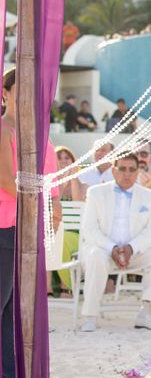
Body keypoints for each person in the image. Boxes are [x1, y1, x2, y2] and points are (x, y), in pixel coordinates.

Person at [1, 68, 61, 375]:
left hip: (27, 231)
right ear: (5, 93)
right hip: (5, 228)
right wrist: (38, 196)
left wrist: (52, 211)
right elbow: (6, 181)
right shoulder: (3, 130)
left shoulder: (38, 137)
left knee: (14, 312)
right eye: (19, 90)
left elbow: (52, 184)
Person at [79, 152, 151, 332]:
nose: (127, 174)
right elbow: (89, 229)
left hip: (135, 253)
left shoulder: (149, 196)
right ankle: (90, 316)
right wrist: (112, 248)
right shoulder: (96, 193)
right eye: (122, 169)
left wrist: (132, 248)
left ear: (138, 171)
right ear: (114, 171)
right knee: (95, 256)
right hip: (103, 251)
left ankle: (147, 313)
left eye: (132, 169)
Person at [53, 146, 86, 297]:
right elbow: (53, 204)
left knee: (62, 238)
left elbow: (78, 204)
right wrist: (60, 183)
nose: (63, 161)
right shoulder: (51, 186)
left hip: (76, 234)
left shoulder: (84, 186)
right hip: (54, 230)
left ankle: (66, 286)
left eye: (67, 158)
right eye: (59, 158)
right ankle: (47, 289)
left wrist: (72, 179)